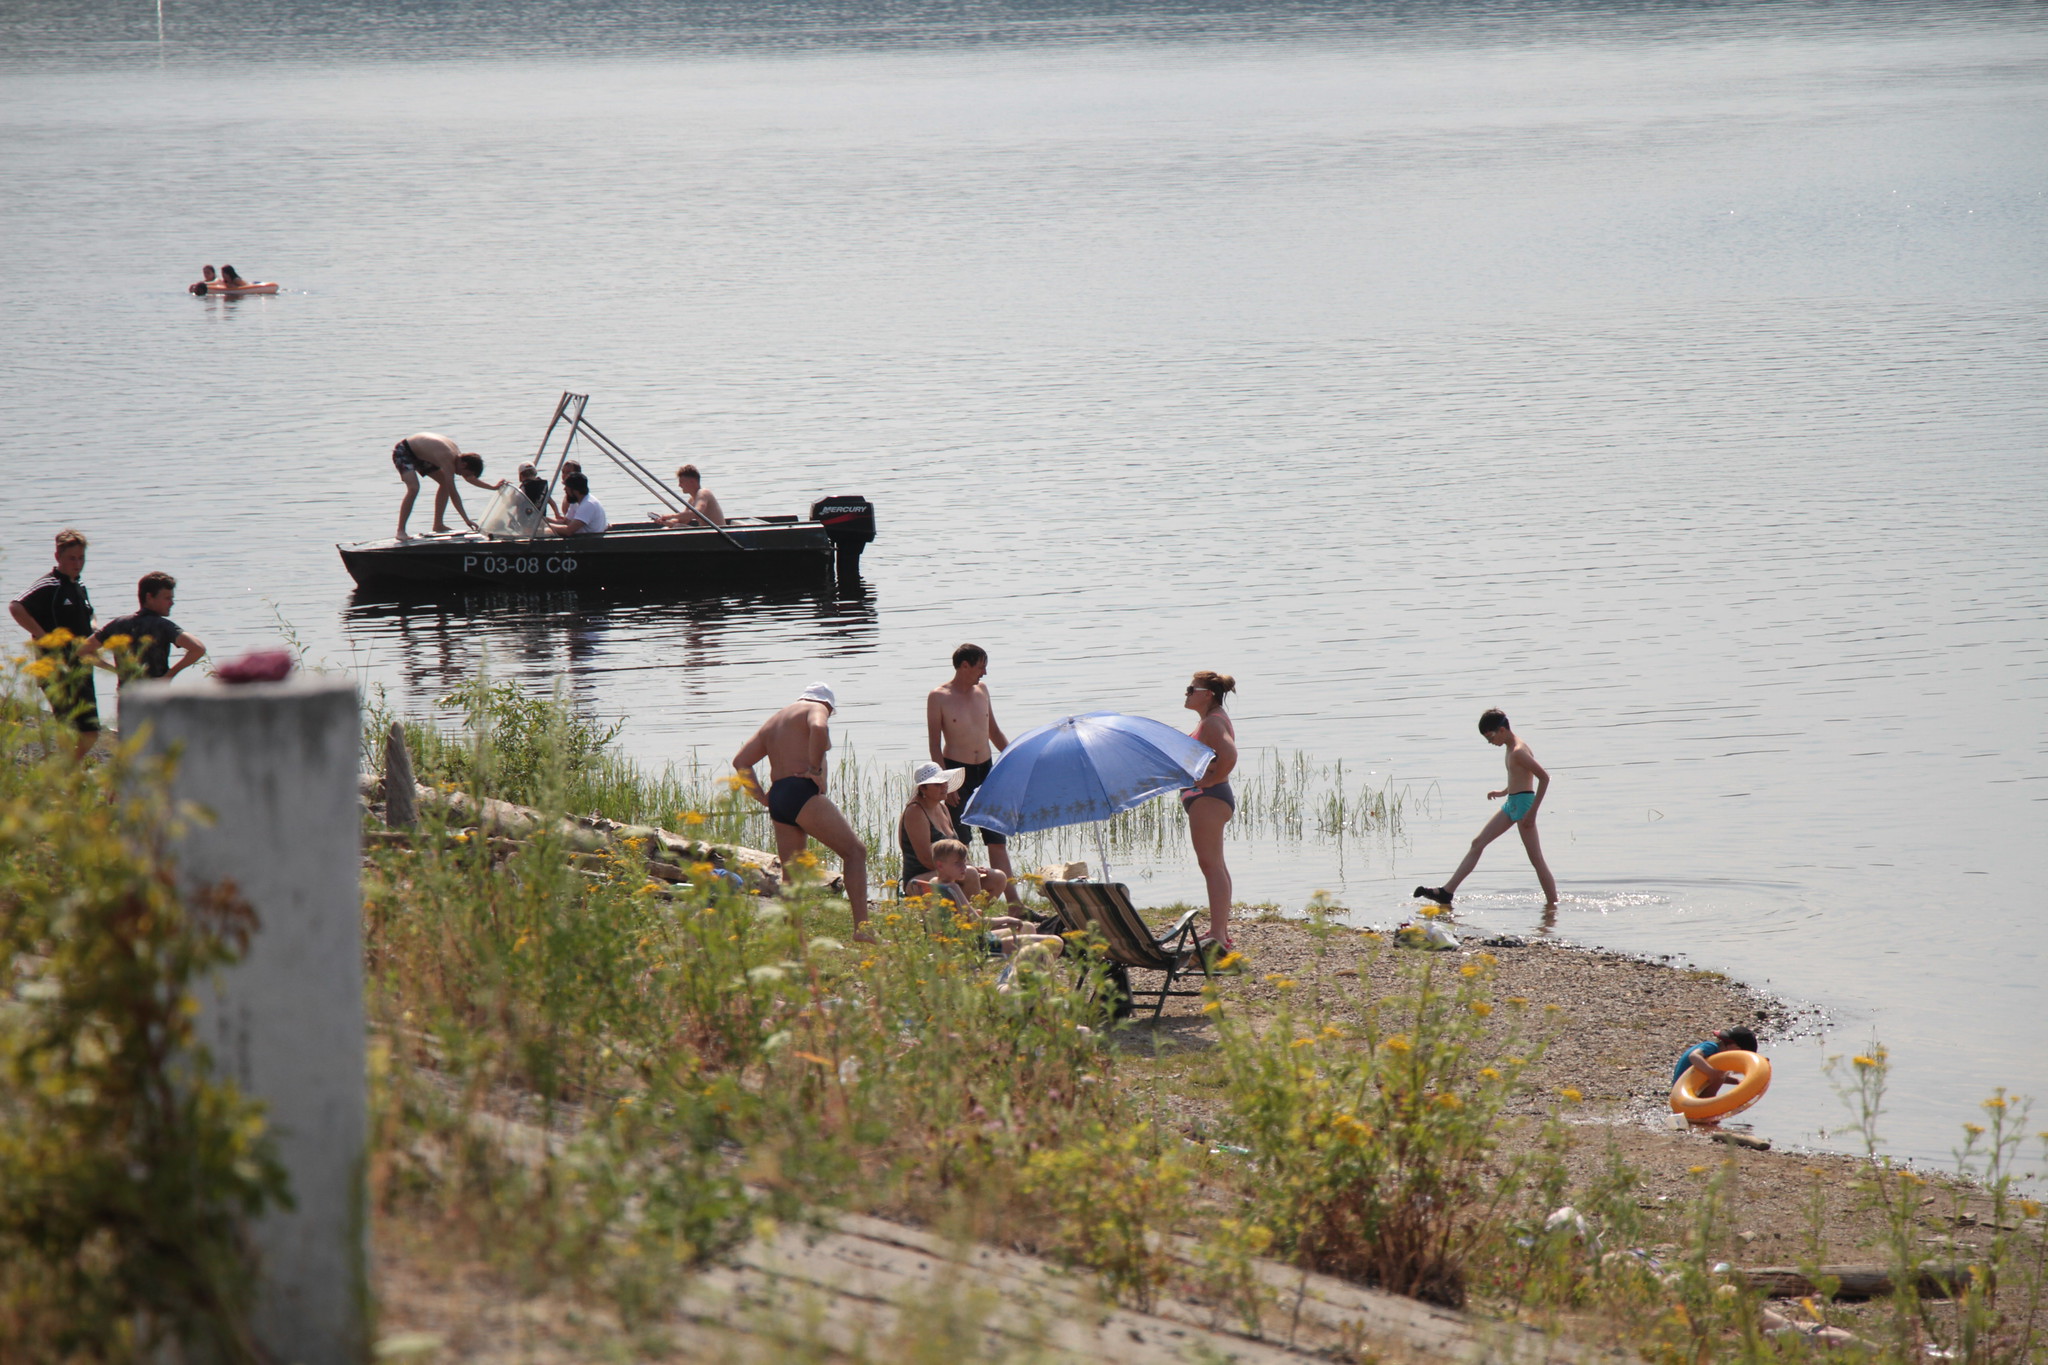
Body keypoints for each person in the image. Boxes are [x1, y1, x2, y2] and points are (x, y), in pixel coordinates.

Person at [732, 683, 870, 934]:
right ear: (827, 704)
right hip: (801, 791)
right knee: (855, 853)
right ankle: (863, 928)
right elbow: (819, 727)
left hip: (780, 796)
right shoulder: (817, 708)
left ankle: (794, 942)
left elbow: (741, 762)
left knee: (791, 876)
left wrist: (763, 798)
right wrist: (815, 770)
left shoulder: (775, 721)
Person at [1415, 708, 1558, 910]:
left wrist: (1532, 813)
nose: (1490, 742)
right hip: (1512, 803)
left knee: (1536, 859)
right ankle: (1447, 892)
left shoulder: (1518, 750)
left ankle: (1553, 907)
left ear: (1501, 730)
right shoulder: (1510, 749)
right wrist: (1503, 792)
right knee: (1477, 843)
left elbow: (1543, 778)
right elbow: (1520, 778)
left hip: (1525, 806)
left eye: (1490, 737)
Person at [926, 643, 1023, 907]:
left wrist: (1015, 758)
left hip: (987, 770)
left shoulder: (982, 691)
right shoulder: (938, 696)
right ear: (964, 665)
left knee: (996, 839)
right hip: (957, 771)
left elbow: (994, 731)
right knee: (961, 842)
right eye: (981, 666)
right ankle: (963, 905)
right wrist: (946, 781)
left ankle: (1015, 904)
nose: (985, 673)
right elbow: (934, 744)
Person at [9, 528, 103, 760]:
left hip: (81, 667)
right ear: (58, 557)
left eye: (81, 558)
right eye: (72, 558)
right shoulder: (49, 585)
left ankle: (62, 768)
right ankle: (63, 776)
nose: (78, 563)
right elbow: (16, 606)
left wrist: (94, 627)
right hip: (55, 669)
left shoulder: (79, 587)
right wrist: (41, 635)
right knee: (70, 730)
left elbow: (90, 614)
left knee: (90, 731)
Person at [1181, 670, 1239, 953]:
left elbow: (1229, 755)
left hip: (1209, 799)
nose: (1187, 693)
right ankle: (1220, 931)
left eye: (1192, 689)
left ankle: (1217, 933)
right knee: (1215, 865)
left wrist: (1213, 780)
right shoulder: (1209, 720)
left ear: (1208, 695)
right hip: (1207, 798)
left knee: (1211, 866)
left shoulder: (1214, 722)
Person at [899, 761, 1009, 903]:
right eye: (938, 784)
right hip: (920, 879)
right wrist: (964, 869)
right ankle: (969, 921)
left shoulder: (943, 808)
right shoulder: (915, 811)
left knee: (998, 878)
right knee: (969, 874)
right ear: (923, 789)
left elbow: (956, 847)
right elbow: (926, 859)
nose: (944, 787)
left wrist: (967, 865)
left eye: (945, 782)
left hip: (948, 871)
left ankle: (969, 917)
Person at [86, 572, 206, 686]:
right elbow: (198, 648)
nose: (171, 603)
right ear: (149, 597)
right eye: (167, 598)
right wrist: (169, 676)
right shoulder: (163, 625)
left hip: (127, 695)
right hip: (154, 694)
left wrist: (116, 670)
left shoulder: (119, 624)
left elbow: (83, 650)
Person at [390, 433, 501, 539]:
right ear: (464, 464)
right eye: (465, 473)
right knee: (414, 488)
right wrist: (466, 520)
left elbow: (470, 478)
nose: (462, 476)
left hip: (422, 455)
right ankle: (401, 531)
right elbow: (453, 494)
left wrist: (493, 488)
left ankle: (438, 525)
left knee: (444, 483)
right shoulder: (448, 459)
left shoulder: (459, 458)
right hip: (404, 451)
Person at [1673, 1026, 1760, 1098]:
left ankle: (1706, 1109)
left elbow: (1714, 1075)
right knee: (1720, 1074)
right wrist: (1711, 1072)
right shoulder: (1711, 1046)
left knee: (1721, 1074)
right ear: (1735, 1047)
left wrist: (1737, 1081)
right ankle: (1706, 1107)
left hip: (1690, 1089)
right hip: (1681, 1089)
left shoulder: (1718, 1059)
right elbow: (1693, 1056)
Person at [655, 464, 726, 528]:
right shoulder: (692, 500)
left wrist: (670, 516)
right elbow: (682, 521)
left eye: (681, 482)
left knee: (677, 527)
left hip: (718, 534)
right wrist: (664, 521)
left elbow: (696, 513)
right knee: (668, 528)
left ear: (692, 481)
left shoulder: (703, 493)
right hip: (707, 534)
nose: (679, 485)